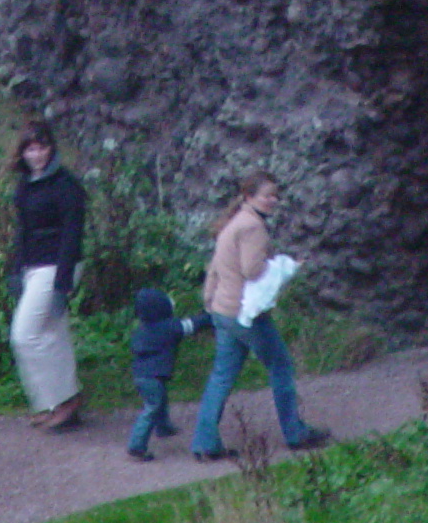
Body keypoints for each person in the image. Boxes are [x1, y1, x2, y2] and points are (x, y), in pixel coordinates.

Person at [188, 172, 328, 459]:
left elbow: (215, 267)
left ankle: (204, 444)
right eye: (268, 195)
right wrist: (282, 266)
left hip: (223, 310)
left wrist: (210, 301)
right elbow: (252, 270)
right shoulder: (253, 227)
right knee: (281, 367)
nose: (274, 200)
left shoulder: (233, 222)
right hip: (245, 313)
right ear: (250, 196)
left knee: (221, 377)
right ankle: (295, 433)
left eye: (276, 195)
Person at [6, 122, 86, 431]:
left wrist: (61, 285)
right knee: (53, 335)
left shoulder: (66, 186)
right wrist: (16, 269)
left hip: (56, 266)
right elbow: (22, 231)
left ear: (50, 149)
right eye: (29, 149)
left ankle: (64, 399)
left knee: (24, 336)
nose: (35, 155)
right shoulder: (26, 185)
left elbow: (72, 237)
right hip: (32, 267)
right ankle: (54, 402)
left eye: (40, 148)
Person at [124, 286, 210, 461]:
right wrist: (209, 317)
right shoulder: (167, 327)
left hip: (141, 375)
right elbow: (191, 325)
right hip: (153, 376)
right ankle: (136, 445)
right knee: (152, 408)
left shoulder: (142, 329)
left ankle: (164, 427)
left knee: (159, 401)